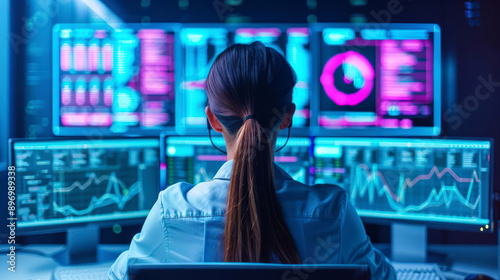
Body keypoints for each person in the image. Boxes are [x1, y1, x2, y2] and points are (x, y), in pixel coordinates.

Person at [108, 41, 396, 279]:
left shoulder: (171, 212)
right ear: (287, 116)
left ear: (212, 120)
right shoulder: (334, 212)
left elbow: (120, 276)